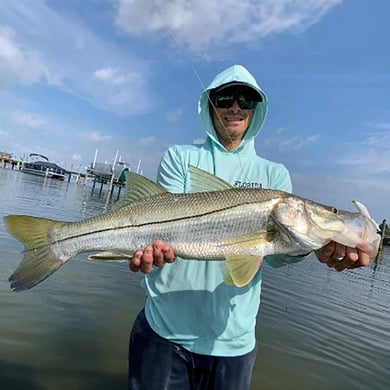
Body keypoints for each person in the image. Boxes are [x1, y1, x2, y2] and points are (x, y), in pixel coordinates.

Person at [127, 64, 371, 390]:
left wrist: (312, 249)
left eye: (247, 99)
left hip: (233, 345)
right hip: (163, 331)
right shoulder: (180, 157)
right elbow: (160, 217)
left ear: (257, 109)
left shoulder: (275, 176)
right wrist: (149, 251)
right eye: (226, 97)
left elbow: (274, 255)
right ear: (210, 103)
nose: (236, 107)